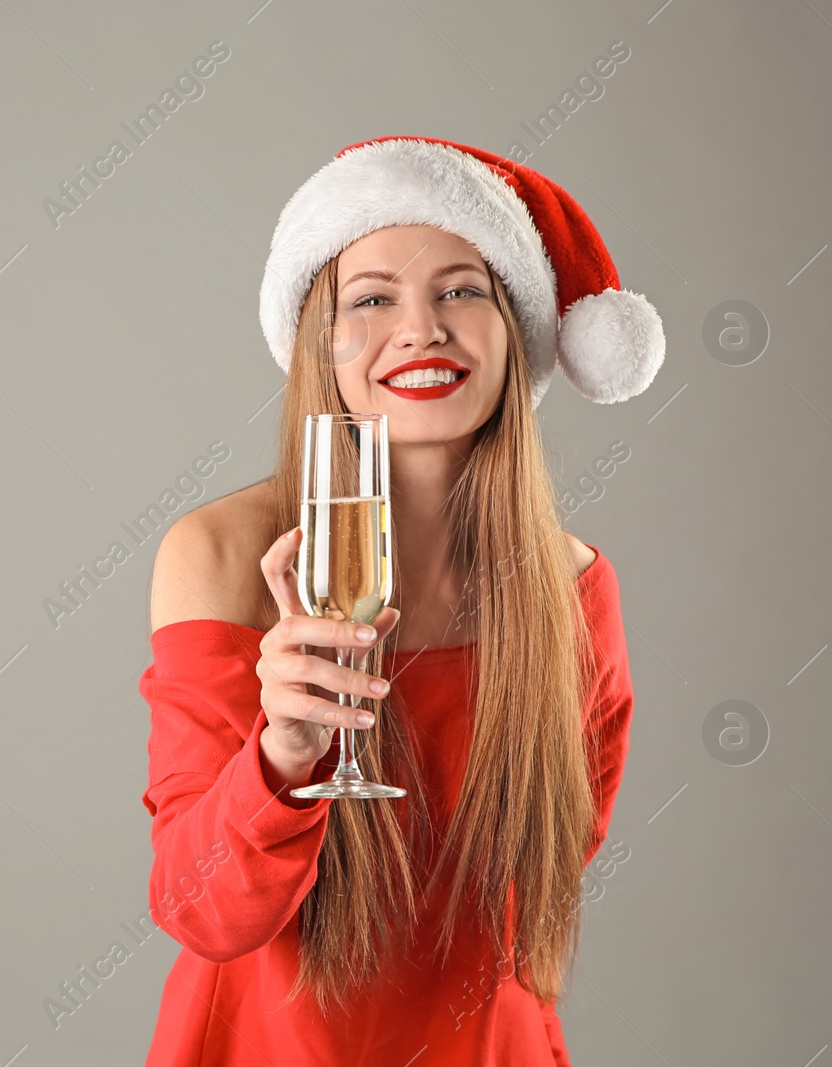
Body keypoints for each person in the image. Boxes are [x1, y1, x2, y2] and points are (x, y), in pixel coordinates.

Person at [138, 136, 665, 1064]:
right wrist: (282, 753)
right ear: (321, 342)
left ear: (518, 330)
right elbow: (199, 910)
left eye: (461, 290)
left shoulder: (575, 590)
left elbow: (540, 880)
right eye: (372, 298)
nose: (421, 329)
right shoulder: (219, 555)